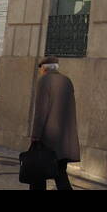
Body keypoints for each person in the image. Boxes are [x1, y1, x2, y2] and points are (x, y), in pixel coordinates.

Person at [28, 55, 79, 191]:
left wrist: (35, 136)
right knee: (60, 174)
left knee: (37, 175)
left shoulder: (44, 81)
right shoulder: (67, 81)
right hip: (64, 140)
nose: (40, 72)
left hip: (48, 140)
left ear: (44, 69)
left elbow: (41, 112)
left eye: (40, 69)